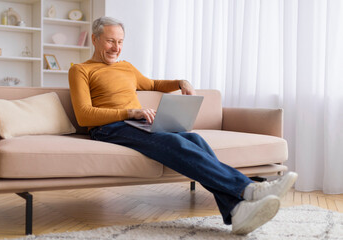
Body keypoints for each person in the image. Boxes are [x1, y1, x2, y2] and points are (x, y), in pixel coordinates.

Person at [68, 16, 298, 235]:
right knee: (173, 140)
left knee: (196, 139)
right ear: (95, 39)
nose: (115, 47)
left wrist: (181, 82)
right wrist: (131, 111)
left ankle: (237, 211)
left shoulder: (126, 67)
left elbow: (154, 83)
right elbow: (84, 116)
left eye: (120, 42)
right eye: (110, 41)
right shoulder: (80, 70)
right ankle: (249, 189)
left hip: (137, 123)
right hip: (109, 128)